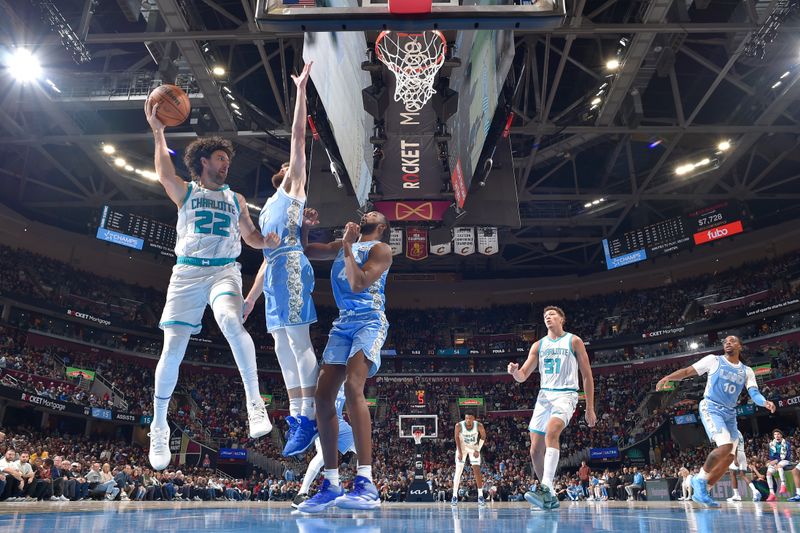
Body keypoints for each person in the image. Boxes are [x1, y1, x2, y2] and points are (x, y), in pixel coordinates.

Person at [144, 98, 278, 470]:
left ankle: (255, 403)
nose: (226, 163)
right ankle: (158, 423)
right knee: (172, 349)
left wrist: (266, 241)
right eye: (220, 158)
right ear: (204, 161)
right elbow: (163, 174)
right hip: (187, 273)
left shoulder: (236, 199)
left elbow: (250, 236)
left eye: (227, 160)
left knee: (233, 323)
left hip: (224, 270)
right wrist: (158, 132)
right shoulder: (186, 191)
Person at [244, 62, 320, 458]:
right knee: (278, 346)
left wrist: (302, 92)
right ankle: (297, 413)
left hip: (291, 267)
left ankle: (309, 413)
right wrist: (251, 297)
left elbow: (298, 138)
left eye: (296, 164)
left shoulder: (295, 188)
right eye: (288, 165)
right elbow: (262, 255)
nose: (292, 164)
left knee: (297, 338)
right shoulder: (267, 206)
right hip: (273, 270)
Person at [297, 213, 392, 513]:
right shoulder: (343, 244)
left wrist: (349, 247)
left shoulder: (381, 250)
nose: (368, 212)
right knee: (322, 398)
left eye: (375, 214)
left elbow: (358, 283)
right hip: (343, 323)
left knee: (353, 387)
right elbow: (307, 250)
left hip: (369, 321)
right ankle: (331, 484)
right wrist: (305, 227)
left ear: (381, 227)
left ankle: (366, 482)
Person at [656, 335, 776, 507]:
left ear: (740, 346)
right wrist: (668, 377)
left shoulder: (747, 371)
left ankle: (704, 491)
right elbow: (688, 371)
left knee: (729, 458)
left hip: (730, 414)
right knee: (725, 446)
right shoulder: (713, 360)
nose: (728, 342)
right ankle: (700, 479)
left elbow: (754, 393)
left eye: (732, 340)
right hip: (711, 407)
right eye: (725, 341)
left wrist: (765, 402)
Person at [507, 306, 597, 511]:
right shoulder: (538, 345)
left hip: (566, 394)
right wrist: (514, 372)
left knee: (552, 431)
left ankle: (546, 488)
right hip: (544, 397)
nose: (547, 317)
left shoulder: (574, 341)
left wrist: (589, 407)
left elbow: (587, 375)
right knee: (535, 451)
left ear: (562, 319)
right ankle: (550, 495)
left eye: (552, 315)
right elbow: (523, 376)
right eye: (545, 315)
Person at [292, 384, 357, 509]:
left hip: (337, 421)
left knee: (362, 448)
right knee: (323, 456)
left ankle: (328, 489)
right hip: (323, 421)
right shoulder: (325, 375)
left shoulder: (345, 379)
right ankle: (303, 493)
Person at [451, 410, 487, 506]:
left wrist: (478, 449)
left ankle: (480, 496)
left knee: (477, 470)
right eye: (466, 418)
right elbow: (456, 437)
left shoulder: (479, 425)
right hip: (462, 448)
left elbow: (483, 436)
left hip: (473, 448)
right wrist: (459, 452)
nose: (468, 420)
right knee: (458, 471)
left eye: (470, 418)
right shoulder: (458, 425)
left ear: (474, 419)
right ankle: (454, 496)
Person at [766, 429, 791, 501]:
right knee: (768, 473)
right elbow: (771, 455)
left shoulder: (786, 443)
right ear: (773, 436)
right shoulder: (771, 444)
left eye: (778, 434)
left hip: (785, 460)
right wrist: (771, 462)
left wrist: (776, 461)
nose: (777, 436)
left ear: (781, 435)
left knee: (779, 466)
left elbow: (786, 455)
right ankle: (772, 494)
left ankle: (783, 485)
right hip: (775, 461)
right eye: (775, 434)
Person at [726, 430, 750, 502]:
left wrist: (735, 458)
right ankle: (755, 491)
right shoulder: (739, 432)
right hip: (742, 452)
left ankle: (736, 495)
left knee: (732, 473)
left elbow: (734, 445)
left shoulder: (731, 431)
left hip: (736, 453)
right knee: (742, 475)